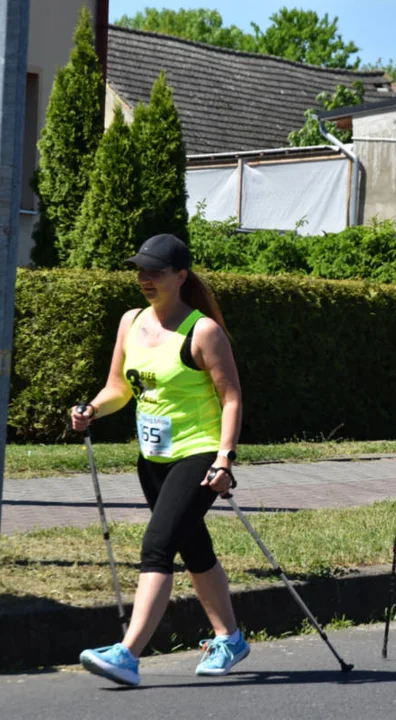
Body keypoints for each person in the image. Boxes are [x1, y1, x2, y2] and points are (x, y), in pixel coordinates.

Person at [72, 233, 246, 686]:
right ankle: (230, 637)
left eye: (155, 272)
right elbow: (119, 388)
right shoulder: (131, 321)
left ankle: (128, 654)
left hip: (199, 454)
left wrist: (224, 458)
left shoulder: (202, 331)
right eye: (140, 271)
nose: (145, 279)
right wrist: (92, 408)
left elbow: (231, 399)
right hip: (153, 459)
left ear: (180, 276)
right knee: (193, 547)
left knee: (158, 545)